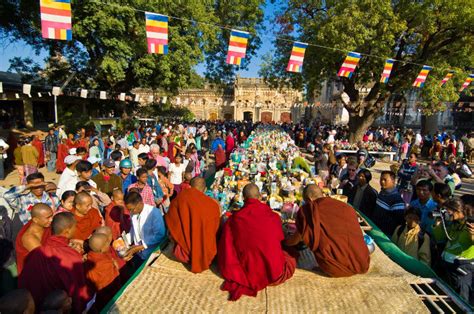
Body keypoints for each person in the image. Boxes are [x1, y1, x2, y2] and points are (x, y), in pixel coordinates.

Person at [218, 183, 296, 301]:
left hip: (247, 266)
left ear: (243, 198)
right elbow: (280, 239)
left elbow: (226, 246)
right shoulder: (274, 217)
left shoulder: (234, 219)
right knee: (290, 257)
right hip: (272, 271)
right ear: (260, 196)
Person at [287, 184, 370, 277]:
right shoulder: (345, 207)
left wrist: (284, 241)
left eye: (305, 201)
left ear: (309, 199)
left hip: (335, 268)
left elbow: (295, 240)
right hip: (362, 261)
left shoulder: (308, 210)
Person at [19, 212, 91, 313]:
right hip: (63, 306)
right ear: (67, 231)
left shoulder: (37, 253)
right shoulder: (71, 256)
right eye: (75, 227)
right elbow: (78, 290)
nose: (76, 229)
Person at [165, 177, 220, 273]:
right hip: (207, 254)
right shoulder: (213, 205)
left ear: (190, 186)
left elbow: (171, 219)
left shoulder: (181, 197)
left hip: (184, 254)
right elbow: (215, 230)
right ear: (205, 189)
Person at [432, 198, 473, 304]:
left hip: (461, 269)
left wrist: (472, 234)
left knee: (461, 301)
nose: (447, 214)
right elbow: (439, 238)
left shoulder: (470, 224)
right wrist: (440, 225)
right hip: (446, 266)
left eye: (447, 211)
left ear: (457, 210)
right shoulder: (453, 223)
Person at [123, 192, 167, 263]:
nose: (130, 212)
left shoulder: (154, 213)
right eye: (129, 210)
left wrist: (141, 246)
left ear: (140, 203)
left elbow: (159, 235)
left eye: (132, 209)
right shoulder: (133, 213)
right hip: (139, 253)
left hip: (152, 253)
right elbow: (133, 230)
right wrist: (125, 240)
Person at [85, 233, 121, 310]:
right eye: (107, 243)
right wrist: (116, 268)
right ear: (101, 249)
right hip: (107, 295)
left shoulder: (90, 256)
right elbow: (112, 282)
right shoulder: (104, 264)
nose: (109, 243)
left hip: (99, 294)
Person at [15, 204, 53, 274]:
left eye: (51, 216)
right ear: (35, 220)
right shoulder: (29, 238)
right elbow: (45, 259)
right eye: (48, 218)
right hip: (34, 273)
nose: (51, 220)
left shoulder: (45, 226)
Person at [372, 171, 406, 236]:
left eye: (385, 180)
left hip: (383, 234)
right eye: (381, 179)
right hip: (374, 228)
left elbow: (397, 222)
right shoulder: (382, 192)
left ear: (393, 181)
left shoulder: (397, 200)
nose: (382, 182)